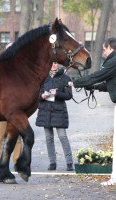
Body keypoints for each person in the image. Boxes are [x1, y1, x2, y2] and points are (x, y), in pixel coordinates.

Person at [73, 37, 116, 186]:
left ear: (110, 47)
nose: (103, 51)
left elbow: (97, 76)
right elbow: (110, 84)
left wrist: (75, 82)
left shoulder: (113, 61)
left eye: (104, 48)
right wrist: (94, 87)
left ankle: (114, 178)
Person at [36, 62, 74, 171]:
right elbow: (36, 93)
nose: (53, 65)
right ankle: (52, 163)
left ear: (58, 64)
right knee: (49, 138)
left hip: (59, 111)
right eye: (52, 63)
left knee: (62, 137)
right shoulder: (42, 77)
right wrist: (42, 96)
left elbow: (69, 96)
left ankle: (69, 162)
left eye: (56, 63)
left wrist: (57, 93)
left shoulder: (65, 78)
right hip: (45, 111)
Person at [0, 42, 23, 164]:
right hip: (2, 107)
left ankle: (17, 159)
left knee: (17, 135)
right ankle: (2, 160)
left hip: (17, 107)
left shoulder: (22, 67)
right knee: (2, 134)